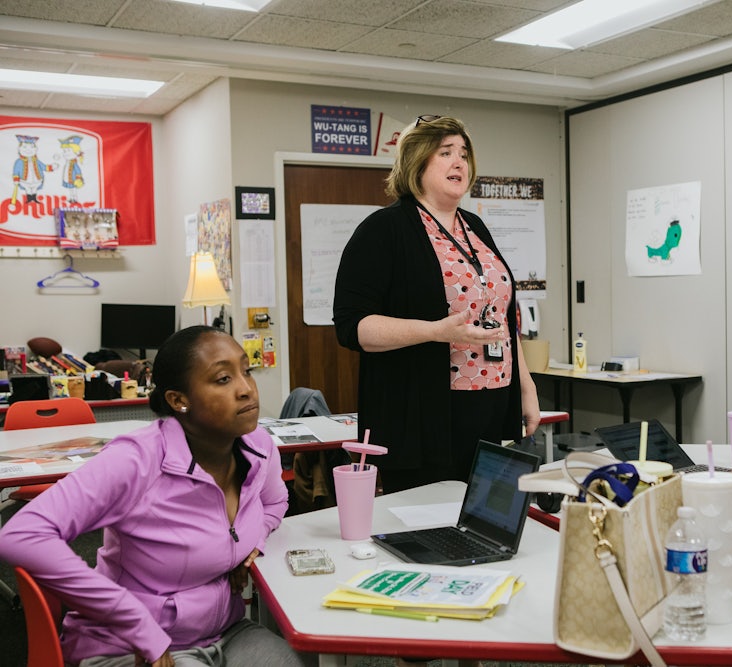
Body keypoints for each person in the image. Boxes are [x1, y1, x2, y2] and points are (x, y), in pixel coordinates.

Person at [0, 326, 311, 667]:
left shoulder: (258, 445)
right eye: (223, 379)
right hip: (127, 645)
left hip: (224, 630)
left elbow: (274, 502)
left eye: (246, 371)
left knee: (301, 662)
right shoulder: (137, 460)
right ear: (179, 400)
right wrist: (136, 623)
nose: (246, 389)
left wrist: (253, 545)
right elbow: (21, 534)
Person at [334, 114, 540, 493]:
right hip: (425, 417)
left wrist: (526, 386)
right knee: (429, 529)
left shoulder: (475, 227)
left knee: (485, 523)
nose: (459, 162)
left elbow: (502, 319)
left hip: (493, 406)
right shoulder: (384, 230)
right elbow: (352, 326)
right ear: (417, 162)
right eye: (445, 152)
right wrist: (436, 331)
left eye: (464, 153)